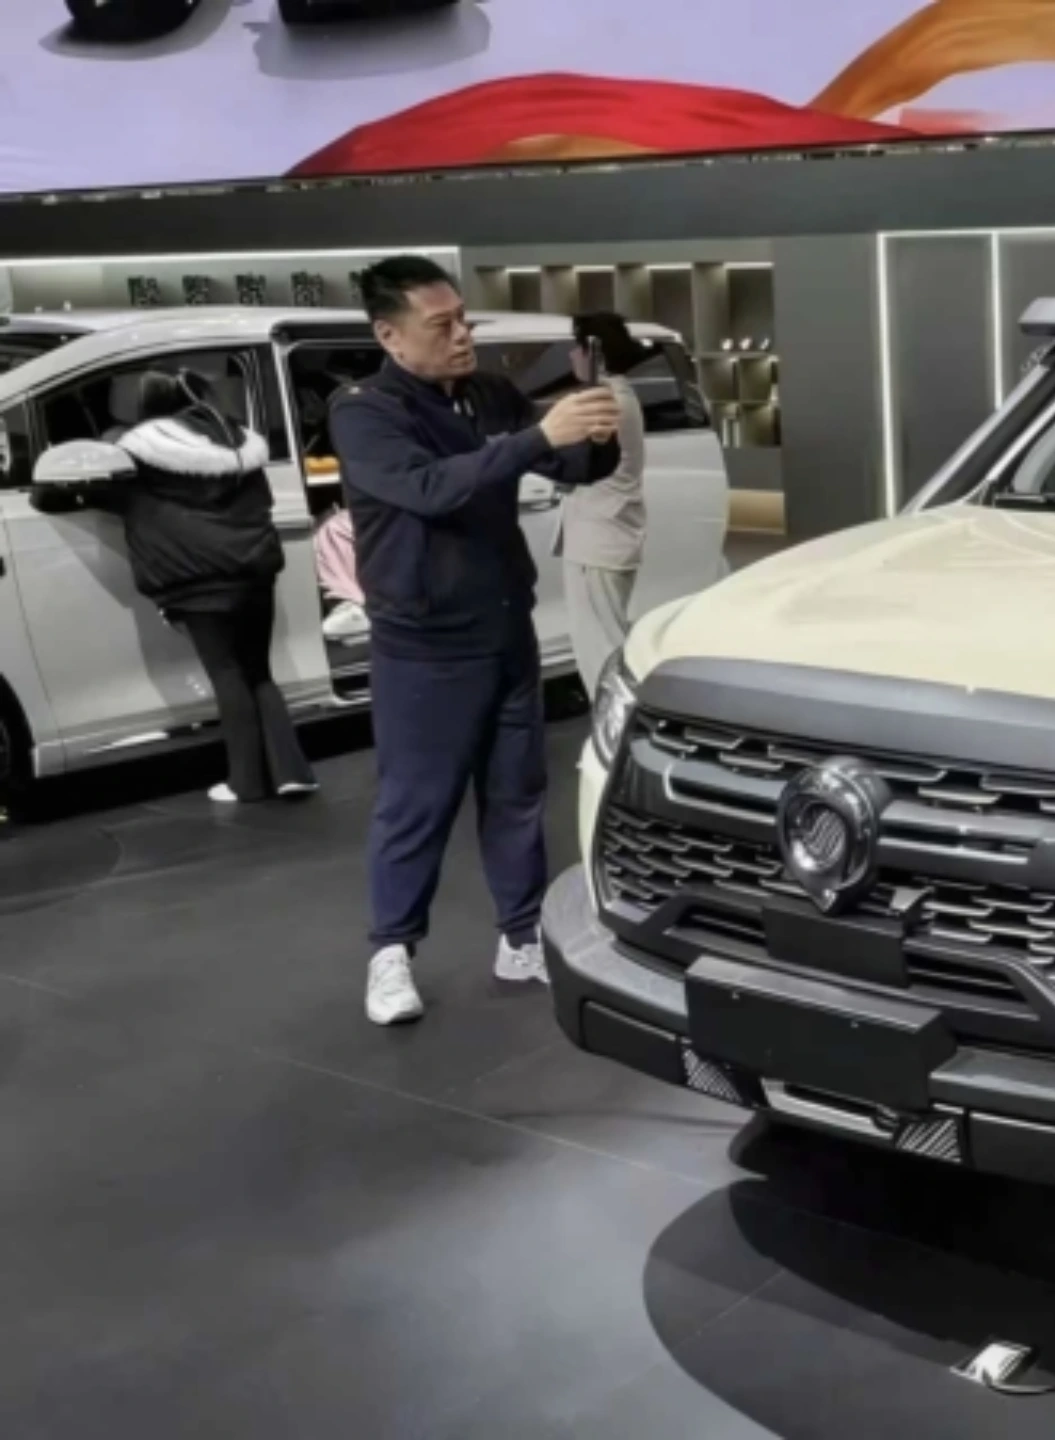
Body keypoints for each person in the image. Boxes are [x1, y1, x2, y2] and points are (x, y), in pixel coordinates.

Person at [332, 255, 624, 1027]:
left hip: (504, 629)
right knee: (415, 803)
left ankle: (521, 938)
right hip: (423, 645)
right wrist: (538, 438)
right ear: (390, 335)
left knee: (517, 794)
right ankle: (391, 954)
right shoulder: (364, 412)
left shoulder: (490, 394)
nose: (463, 335)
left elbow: (571, 463)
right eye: (443, 325)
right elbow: (430, 488)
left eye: (464, 319)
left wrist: (597, 432)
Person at [34, 372, 318, 805]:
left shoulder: (139, 451)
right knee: (259, 672)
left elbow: (72, 497)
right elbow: (263, 502)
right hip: (254, 570)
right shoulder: (240, 444)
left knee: (226, 673)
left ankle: (246, 783)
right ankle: (293, 773)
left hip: (195, 578)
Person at [559, 312, 650, 694]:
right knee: (608, 640)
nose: (571, 355)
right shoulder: (623, 394)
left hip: (597, 539)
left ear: (594, 351)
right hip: (611, 535)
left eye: (577, 346)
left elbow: (567, 462)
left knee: (599, 650)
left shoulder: (604, 401)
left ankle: (616, 722)